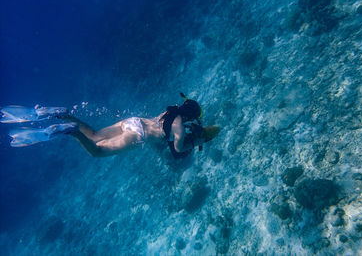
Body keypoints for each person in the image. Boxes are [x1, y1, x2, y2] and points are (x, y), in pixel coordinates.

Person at [1, 94, 220, 158]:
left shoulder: (170, 111)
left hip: (133, 122)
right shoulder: (180, 126)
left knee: (95, 135)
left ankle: (63, 115)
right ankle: (71, 131)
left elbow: (164, 128)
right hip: (139, 136)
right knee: (96, 151)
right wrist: (192, 143)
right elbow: (179, 148)